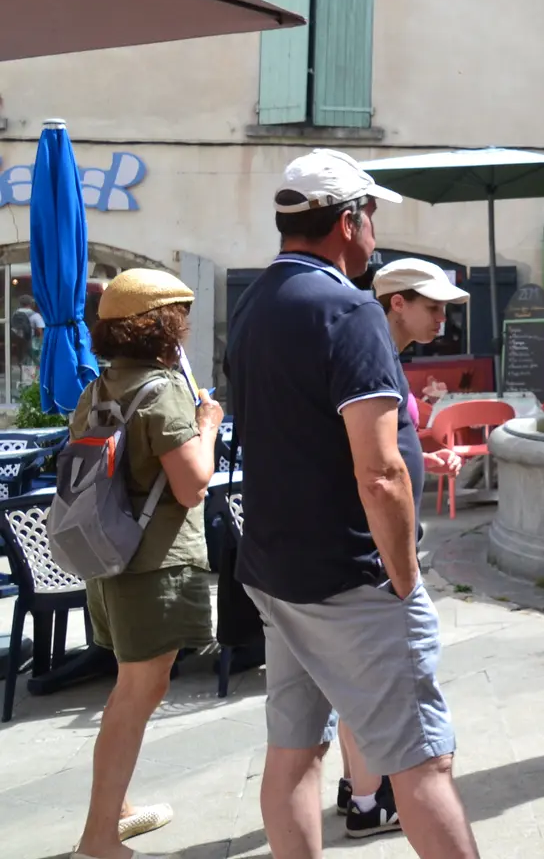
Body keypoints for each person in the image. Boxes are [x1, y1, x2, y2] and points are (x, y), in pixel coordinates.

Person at [226, 149, 479, 859]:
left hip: (277, 567)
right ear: (347, 222)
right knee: (422, 764)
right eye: (371, 216)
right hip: (349, 576)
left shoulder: (254, 303)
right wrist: (403, 577)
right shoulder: (347, 309)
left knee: (295, 752)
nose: (375, 232)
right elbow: (381, 472)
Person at [69, 270, 221, 859]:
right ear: (164, 327)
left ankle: (118, 809)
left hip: (108, 559)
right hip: (154, 563)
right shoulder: (162, 391)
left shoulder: (99, 388)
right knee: (138, 692)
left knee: (127, 689)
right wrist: (207, 424)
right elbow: (193, 485)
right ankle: (99, 837)